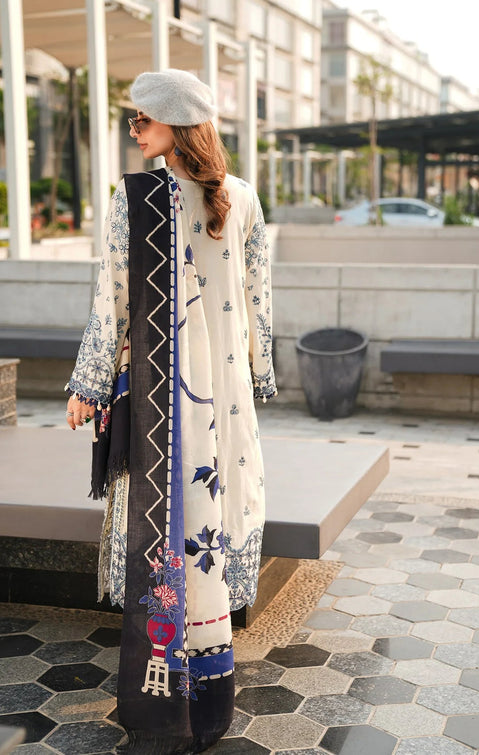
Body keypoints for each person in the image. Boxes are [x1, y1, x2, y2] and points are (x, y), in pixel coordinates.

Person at [65, 68, 276, 754]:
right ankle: (206, 697)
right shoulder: (240, 196)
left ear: (175, 125)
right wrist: (259, 376)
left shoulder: (139, 200)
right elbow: (259, 301)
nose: (134, 130)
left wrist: (90, 384)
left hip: (165, 400)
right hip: (224, 398)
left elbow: (111, 299)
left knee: (169, 524)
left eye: (142, 119)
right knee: (207, 525)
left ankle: (165, 695)